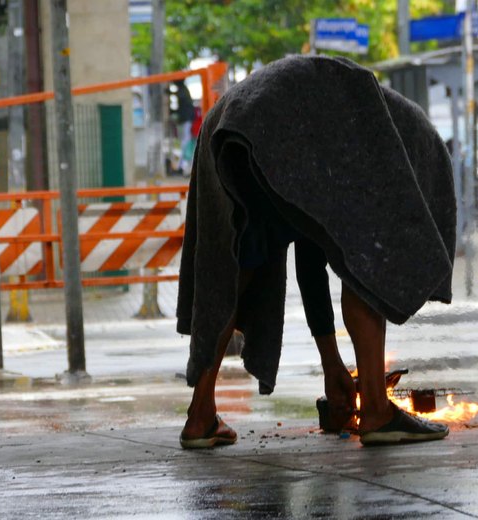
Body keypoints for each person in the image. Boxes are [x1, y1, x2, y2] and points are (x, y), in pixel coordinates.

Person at [176, 55, 456, 448]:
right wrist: (332, 361)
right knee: (368, 262)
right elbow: (359, 260)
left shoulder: (362, 124)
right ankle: (377, 409)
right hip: (267, 113)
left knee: (235, 273)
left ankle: (199, 415)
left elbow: (313, 249)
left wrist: (332, 363)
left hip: (234, 121)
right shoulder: (401, 143)